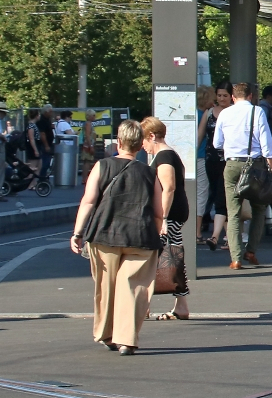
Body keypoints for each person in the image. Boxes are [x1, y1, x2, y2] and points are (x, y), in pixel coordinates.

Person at [69, 119, 163, 356]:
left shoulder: (102, 166)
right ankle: (127, 339)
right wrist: (156, 232)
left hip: (105, 235)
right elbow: (159, 212)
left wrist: (78, 232)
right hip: (140, 237)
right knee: (134, 288)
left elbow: (88, 201)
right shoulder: (150, 173)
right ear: (141, 145)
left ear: (119, 142)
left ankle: (107, 333)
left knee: (106, 286)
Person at [212, 82, 272, 269]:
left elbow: (217, 143)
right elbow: (267, 145)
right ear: (251, 96)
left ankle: (236, 258)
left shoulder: (224, 113)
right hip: (255, 166)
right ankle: (251, 250)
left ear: (232, 97)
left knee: (233, 213)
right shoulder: (257, 112)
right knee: (259, 209)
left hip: (231, 164)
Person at [141, 117, 190, 320]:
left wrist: (163, 219)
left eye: (143, 140)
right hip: (175, 213)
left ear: (151, 136)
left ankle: (144, 305)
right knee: (173, 258)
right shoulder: (169, 155)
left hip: (169, 215)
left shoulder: (164, 157)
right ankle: (181, 304)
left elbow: (168, 187)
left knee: (154, 258)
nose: (143, 146)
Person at [202, 81, 233, 252]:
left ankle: (216, 236)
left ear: (231, 97)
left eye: (225, 96)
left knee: (222, 197)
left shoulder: (233, 113)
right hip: (211, 159)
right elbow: (201, 135)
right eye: (219, 95)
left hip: (228, 160)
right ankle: (228, 238)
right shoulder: (209, 113)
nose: (221, 99)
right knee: (216, 195)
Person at [194, 87, 214, 239]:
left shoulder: (192, 114)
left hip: (190, 158)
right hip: (202, 157)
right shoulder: (207, 115)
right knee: (202, 193)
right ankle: (197, 231)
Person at [37, 105, 56, 182]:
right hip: (44, 144)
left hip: (49, 142)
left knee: (47, 162)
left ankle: (43, 177)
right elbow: (42, 134)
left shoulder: (48, 119)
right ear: (45, 112)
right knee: (45, 162)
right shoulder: (42, 120)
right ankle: (42, 179)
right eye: (50, 111)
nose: (51, 113)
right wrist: (46, 145)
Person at [25, 109, 44, 179]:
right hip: (33, 147)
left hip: (37, 146)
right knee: (32, 167)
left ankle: (34, 183)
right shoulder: (31, 126)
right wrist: (35, 150)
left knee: (39, 165)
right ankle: (29, 183)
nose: (39, 116)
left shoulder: (34, 125)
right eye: (38, 115)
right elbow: (31, 139)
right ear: (36, 116)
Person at [81, 110, 98, 178]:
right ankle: (84, 178)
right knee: (87, 161)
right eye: (93, 115)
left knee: (87, 161)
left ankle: (84, 178)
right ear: (89, 116)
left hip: (88, 144)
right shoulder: (88, 124)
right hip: (87, 145)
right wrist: (90, 146)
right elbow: (87, 135)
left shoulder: (88, 123)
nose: (94, 117)